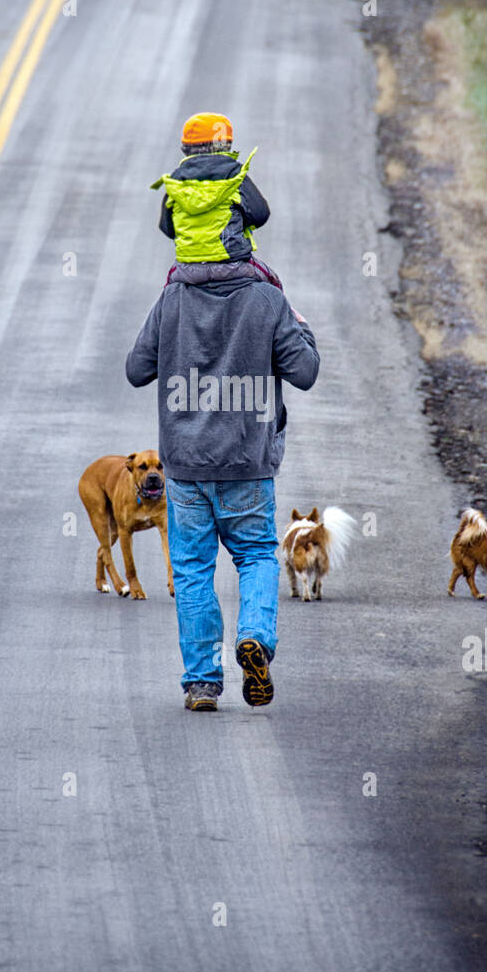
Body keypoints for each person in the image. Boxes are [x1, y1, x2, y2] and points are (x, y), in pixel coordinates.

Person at [125, 229, 319, 711]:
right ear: (245, 240)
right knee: (255, 556)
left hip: (185, 468)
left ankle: (202, 683)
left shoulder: (171, 297)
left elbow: (135, 369)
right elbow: (306, 372)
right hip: (247, 465)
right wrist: (299, 324)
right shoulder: (268, 298)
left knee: (192, 572)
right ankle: (254, 638)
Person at [152, 111, 283, 290]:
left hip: (187, 270)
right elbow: (261, 214)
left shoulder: (176, 181)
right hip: (234, 266)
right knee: (273, 284)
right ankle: (292, 319)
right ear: (227, 145)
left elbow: (166, 227)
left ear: (184, 148)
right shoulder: (234, 176)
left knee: (165, 298)